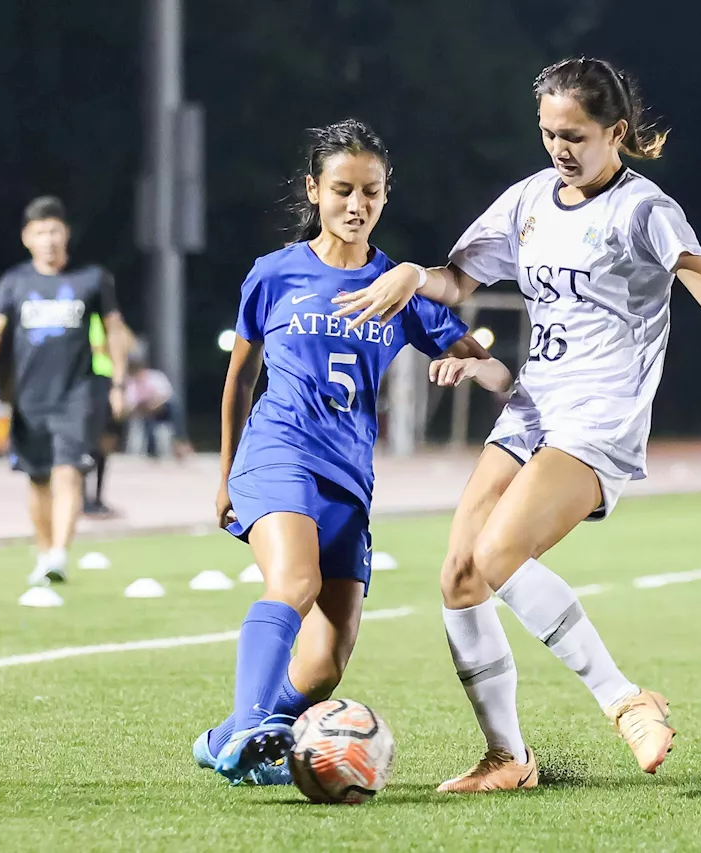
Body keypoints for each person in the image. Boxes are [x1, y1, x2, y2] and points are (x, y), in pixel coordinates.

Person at [334, 56, 701, 793]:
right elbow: (458, 279)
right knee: (460, 574)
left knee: (497, 555)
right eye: (547, 132)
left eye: (574, 135)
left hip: (598, 414)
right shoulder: (529, 199)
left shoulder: (644, 210)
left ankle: (625, 699)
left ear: (615, 131)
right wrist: (411, 276)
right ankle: (508, 757)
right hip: (534, 407)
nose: (558, 148)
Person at [193, 119, 512, 787]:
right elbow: (240, 380)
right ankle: (252, 723)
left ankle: (227, 739)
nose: (355, 204)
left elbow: (494, 372)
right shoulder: (275, 274)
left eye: (370, 191)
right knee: (295, 583)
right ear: (314, 190)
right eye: (341, 189)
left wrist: (471, 370)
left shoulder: (401, 291)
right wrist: (225, 475)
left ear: (385, 195)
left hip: (348, 480)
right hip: (278, 452)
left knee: (323, 665)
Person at [0, 196, 131, 586]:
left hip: (78, 393)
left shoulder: (92, 278)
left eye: (54, 230)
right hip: (28, 399)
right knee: (38, 478)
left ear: (66, 233)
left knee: (67, 470)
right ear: (27, 237)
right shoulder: (14, 281)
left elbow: (115, 331)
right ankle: (44, 554)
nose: (48, 239)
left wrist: (119, 383)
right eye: (40, 232)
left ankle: (59, 552)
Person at [84, 313, 130, 518]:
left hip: (109, 382)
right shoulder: (90, 317)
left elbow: (128, 344)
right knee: (88, 444)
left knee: (105, 445)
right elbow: (95, 347)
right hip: (90, 381)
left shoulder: (111, 319)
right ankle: (84, 499)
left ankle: (98, 497)